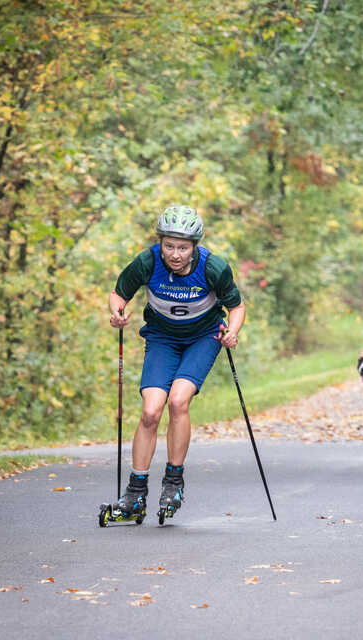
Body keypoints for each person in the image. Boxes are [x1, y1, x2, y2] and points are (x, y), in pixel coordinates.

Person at [108, 205, 245, 522]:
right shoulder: (147, 261)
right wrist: (117, 312)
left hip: (203, 338)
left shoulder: (214, 268)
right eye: (169, 245)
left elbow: (235, 307)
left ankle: (173, 482)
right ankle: (135, 490)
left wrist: (232, 332)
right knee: (150, 410)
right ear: (161, 242)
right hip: (162, 339)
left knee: (179, 401)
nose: (175, 254)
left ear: (194, 246)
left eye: (183, 247)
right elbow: (119, 294)